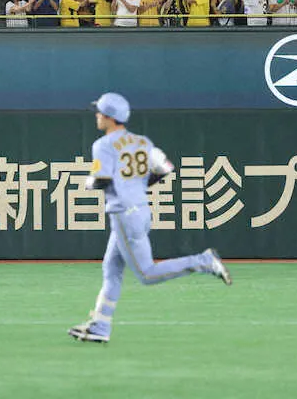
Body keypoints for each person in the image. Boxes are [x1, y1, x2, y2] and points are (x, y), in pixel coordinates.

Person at [68, 93, 231, 344]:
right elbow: (166, 168)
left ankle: (204, 261)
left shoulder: (103, 145)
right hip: (140, 209)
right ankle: (100, 326)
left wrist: (90, 182)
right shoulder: (142, 141)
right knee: (111, 269)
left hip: (125, 214)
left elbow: (102, 179)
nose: (97, 116)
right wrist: (137, 185)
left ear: (111, 117)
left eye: (100, 112)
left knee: (147, 274)